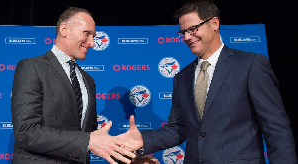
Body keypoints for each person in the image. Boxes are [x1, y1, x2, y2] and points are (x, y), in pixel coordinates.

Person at [117, 0, 298, 163]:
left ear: (214, 23)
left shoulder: (251, 65)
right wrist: (142, 141)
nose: (187, 37)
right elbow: (177, 129)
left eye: (193, 29)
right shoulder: (182, 77)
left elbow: (276, 130)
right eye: (183, 32)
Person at [11, 7, 137, 164]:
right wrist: (88, 140)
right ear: (64, 30)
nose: (92, 43)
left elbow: (91, 138)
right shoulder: (32, 67)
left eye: (93, 36)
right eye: (87, 34)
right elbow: (26, 132)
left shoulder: (88, 80)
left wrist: (128, 155)